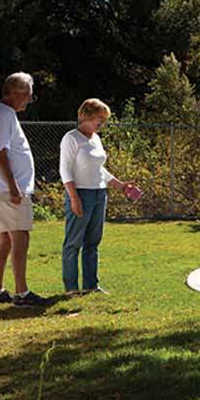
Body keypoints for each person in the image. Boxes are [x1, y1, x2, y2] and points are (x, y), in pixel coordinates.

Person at [0, 72, 47, 307]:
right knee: (20, 236)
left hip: (0, 187)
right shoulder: (3, 115)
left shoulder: (1, 113)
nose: (29, 100)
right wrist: (14, 187)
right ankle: (21, 292)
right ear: (16, 93)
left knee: (6, 239)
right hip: (7, 189)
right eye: (28, 96)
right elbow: (0, 152)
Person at [59, 99, 140, 294]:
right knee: (73, 243)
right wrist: (74, 198)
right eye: (99, 118)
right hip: (80, 193)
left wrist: (120, 185)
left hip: (99, 194)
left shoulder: (95, 138)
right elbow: (65, 169)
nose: (102, 123)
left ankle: (91, 285)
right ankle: (71, 288)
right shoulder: (71, 138)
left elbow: (99, 168)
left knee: (92, 242)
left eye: (104, 119)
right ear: (85, 116)